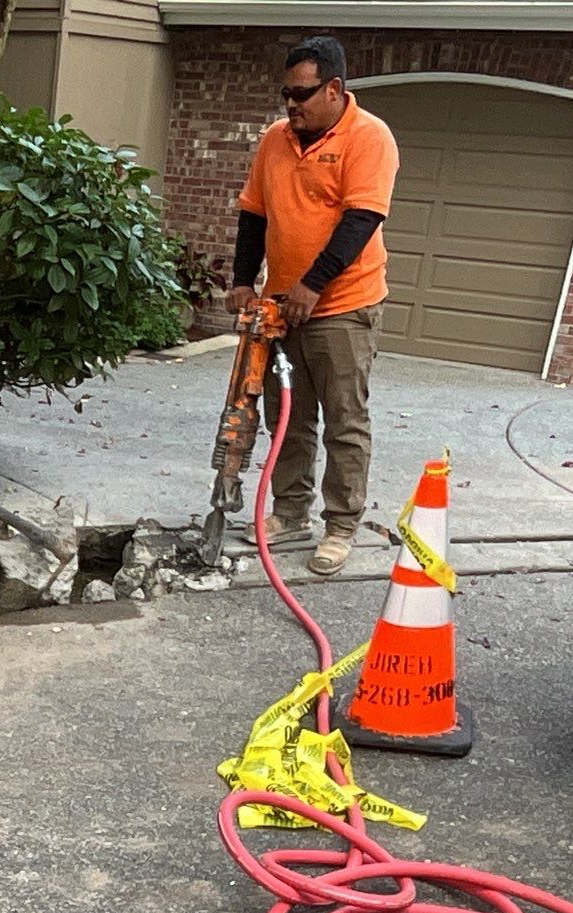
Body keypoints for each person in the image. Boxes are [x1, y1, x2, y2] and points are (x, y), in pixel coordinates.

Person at [226, 35, 398, 576]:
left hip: (344, 305)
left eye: (301, 94)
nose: (291, 104)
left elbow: (361, 220)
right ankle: (291, 511)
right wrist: (242, 281)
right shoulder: (275, 139)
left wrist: (312, 286)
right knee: (287, 417)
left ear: (334, 89)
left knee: (344, 421)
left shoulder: (369, 137)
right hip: (282, 305)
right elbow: (254, 214)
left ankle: (341, 526)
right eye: (285, 93)